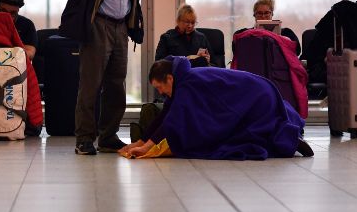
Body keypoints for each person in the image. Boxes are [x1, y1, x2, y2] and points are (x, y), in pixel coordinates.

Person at [59, 0, 150, 156]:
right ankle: (85, 139)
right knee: (91, 86)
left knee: (116, 85)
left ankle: (108, 136)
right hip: (97, 24)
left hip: (121, 26)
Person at [120, 56, 314, 160]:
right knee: (242, 132)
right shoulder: (181, 81)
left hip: (256, 95)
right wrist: (141, 141)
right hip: (253, 91)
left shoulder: (186, 85)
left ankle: (291, 139)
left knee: (251, 134)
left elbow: (172, 121)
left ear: (169, 79)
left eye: (160, 87)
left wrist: (146, 148)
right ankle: (291, 138)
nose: (161, 92)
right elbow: (165, 115)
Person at [233, 0, 301, 56]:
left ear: (272, 14)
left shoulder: (287, 33)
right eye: (259, 13)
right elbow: (236, 51)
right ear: (254, 15)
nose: (263, 16)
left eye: (266, 13)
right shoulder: (242, 33)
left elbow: (297, 51)